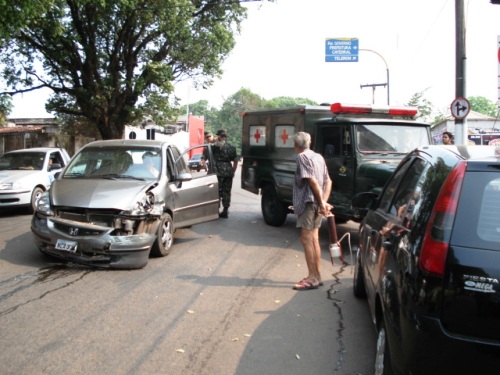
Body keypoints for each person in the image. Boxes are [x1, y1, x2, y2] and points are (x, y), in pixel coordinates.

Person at [292, 132, 333, 291]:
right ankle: (317, 276)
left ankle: (312, 278)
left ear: (296, 145)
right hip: (317, 202)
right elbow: (328, 181)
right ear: (310, 142)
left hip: (309, 203)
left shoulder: (302, 157)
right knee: (314, 239)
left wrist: (322, 202)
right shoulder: (318, 157)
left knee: (306, 239)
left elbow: (312, 180)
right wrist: (323, 201)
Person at [212, 129, 238, 218]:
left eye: (218, 136)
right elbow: (235, 161)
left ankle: (216, 210)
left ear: (219, 136)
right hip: (228, 171)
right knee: (227, 191)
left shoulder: (215, 146)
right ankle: (225, 210)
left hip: (218, 171)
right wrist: (233, 171)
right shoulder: (232, 147)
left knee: (217, 191)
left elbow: (207, 150)